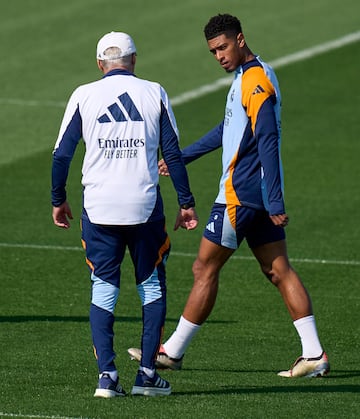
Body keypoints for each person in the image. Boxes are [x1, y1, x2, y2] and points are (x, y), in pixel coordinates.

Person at [128, 14, 329, 378]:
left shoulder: (255, 82)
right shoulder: (247, 77)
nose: (219, 56)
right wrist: (181, 157)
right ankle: (313, 352)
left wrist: (277, 199)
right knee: (278, 269)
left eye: (222, 47)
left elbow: (267, 138)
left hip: (241, 197)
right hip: (257, 197)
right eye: (213, 52)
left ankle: (172, 352)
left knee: (204, 267)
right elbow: (230, 127)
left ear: (240, 39)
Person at [51, 31, 199, 397]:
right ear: (134, 60)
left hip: (98, 208)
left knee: (103, 288)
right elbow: (174, 153)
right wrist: (186, 202)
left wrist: (59, 199)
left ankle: (107, 377)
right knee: (150, 285)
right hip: (144, 207)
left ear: (100, 64)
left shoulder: (83, 95)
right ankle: (147, 374)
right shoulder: (154, 92)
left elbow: (61, 155)